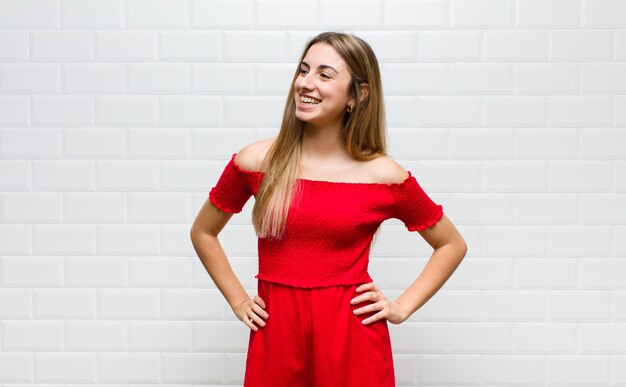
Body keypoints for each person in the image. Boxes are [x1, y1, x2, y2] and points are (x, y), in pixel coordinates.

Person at [190, 31, 467, 387]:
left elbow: (451, 244)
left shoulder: (383, 175)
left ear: (357, 95)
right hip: (276, 335)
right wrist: (238, 300)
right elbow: (203, 231)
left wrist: (401, 306)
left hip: (352, 336)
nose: (306, 83)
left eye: (324, 74)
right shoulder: (256, 161)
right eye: (303, 70)